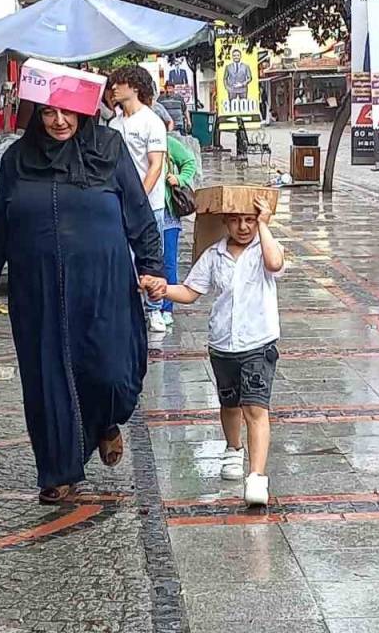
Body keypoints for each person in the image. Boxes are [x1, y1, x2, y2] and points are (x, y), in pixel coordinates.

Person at [0, 102, 164, 505]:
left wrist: (152, 266)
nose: (59, 121)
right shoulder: (18, 158)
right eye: (48, 113)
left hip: (103, 285)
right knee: (45, 381)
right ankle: (57, 470)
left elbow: (139, 212)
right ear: (35, 115)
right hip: (36, 291)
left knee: (110, 373)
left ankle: (106, 420)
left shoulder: (109, 147)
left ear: (84, 112)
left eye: (67, 112)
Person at [155, 196, 284, 506]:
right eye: (236, 220)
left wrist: (265, 224)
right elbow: (189, 291)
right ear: (225, 222)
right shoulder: (214, 255)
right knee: (230, 403)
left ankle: (256, 476)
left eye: (249, 220)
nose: (243, 227)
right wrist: (161, 288)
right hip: (223, 345)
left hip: (258, 343)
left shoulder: (264, 248)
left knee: (255, 408)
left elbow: (275, 264)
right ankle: (233, 448)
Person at [108, 66, 169, 334]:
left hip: (148, 204)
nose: (113, 89)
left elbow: (155, 165)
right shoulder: (113, 125)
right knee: (123, 258)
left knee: (150, 256)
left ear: (134, 87)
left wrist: (139, 199)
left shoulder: (151, 121)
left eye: (119, 84)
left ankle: (155, 310)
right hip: (117, 204)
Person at [160, 134, 198, 328]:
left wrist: (180, 179)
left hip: (168, 213)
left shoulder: (166, 142)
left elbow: (190, 161)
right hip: (142, 210)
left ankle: (166, 309)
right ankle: (150, 308)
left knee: (168, 262)